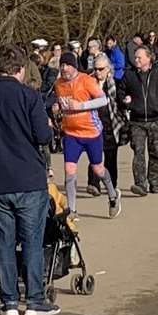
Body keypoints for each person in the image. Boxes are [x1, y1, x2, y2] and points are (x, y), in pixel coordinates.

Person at [0, 45, 59, 315]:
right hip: (28, 176)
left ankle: (9, 300)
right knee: (32, 241)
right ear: (20, 70)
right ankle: (34, 299)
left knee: (4, 240)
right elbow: (43, 136)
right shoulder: (29, 96)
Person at [54, 52, 121, 217]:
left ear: (74, 66)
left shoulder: (86, 80)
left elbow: (103, 100)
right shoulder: (59, 84)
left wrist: (81, 106)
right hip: (71, 133)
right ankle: (72, 210)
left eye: (67, 65)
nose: (64, 68)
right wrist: (57, 107)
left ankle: (113, 196)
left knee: (98, 169)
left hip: (91, 133)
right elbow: (61, 103)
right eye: (62, 65)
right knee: (69, 170)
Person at [120, 44, 158, 194]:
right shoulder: (129, 75)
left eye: (139, 57)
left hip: (156, 120)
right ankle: (140, 184)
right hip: (137, 121)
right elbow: (120, 92)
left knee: (156, 153)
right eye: (135, 57)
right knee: (138, 152)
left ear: (148, 58)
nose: (136, 60)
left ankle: (154, 182)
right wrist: (125, 100)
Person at [87, 53, 125, 197]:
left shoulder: (115, 83)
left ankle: (112, 185)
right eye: (96, 69)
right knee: (94, 156)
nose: (97, 72)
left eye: (101, 69)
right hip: (94, 124)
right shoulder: (89, 82)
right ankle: (93, 184)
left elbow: (119, 102)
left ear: (108, 69)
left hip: (110, 124)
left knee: (110, 158)